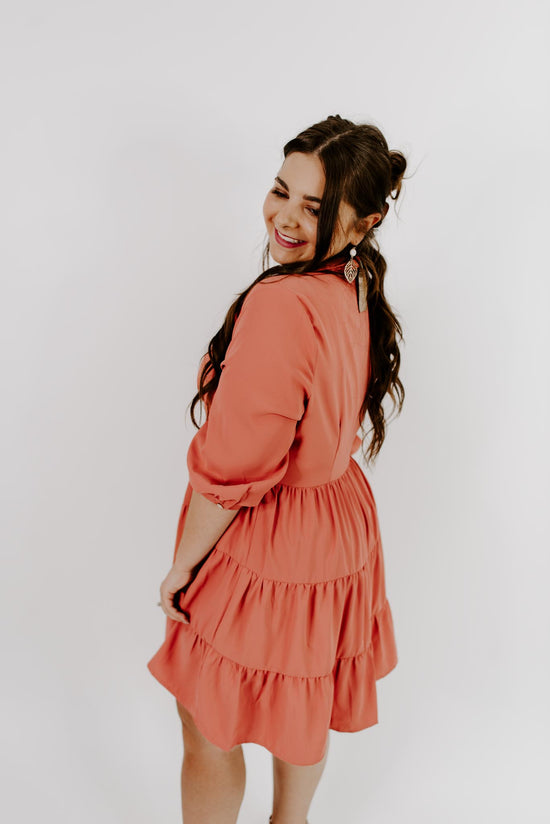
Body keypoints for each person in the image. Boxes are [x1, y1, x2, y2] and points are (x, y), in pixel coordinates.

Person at [147, 114, 407, 824]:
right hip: (339, 521)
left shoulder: (282, 302)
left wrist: (183, 566)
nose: (285, 217)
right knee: (305, 697)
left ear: (364, 222)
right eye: (281, 190)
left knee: (205, 720)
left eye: (314, 207)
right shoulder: (354, 279)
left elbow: (237, 465)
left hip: (275, 532)